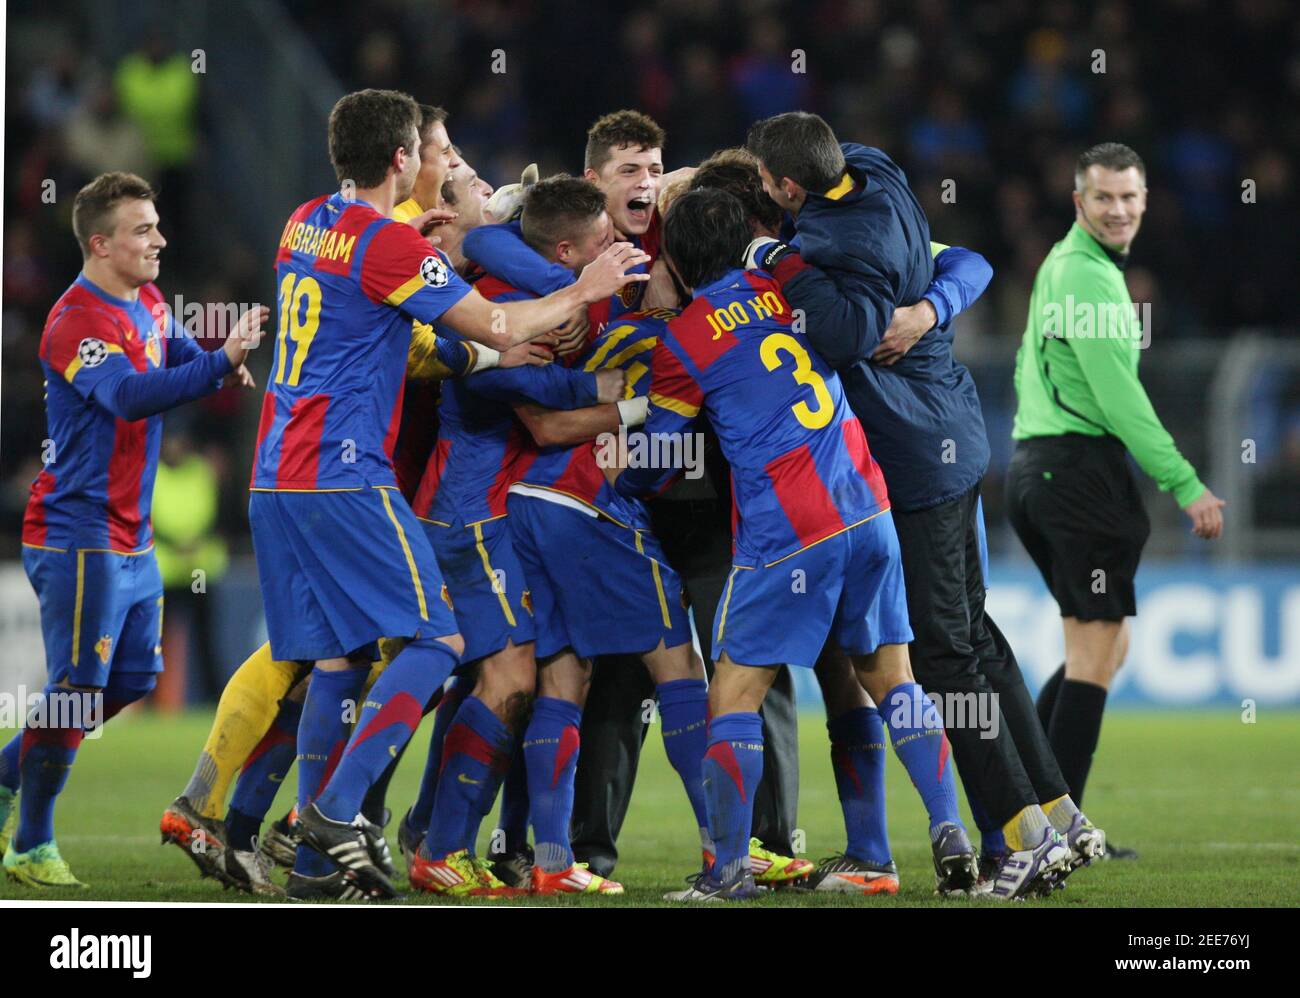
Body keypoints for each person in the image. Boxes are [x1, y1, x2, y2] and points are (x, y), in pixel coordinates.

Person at [264, 89, 648, 901]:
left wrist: (488, 358)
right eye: (435, 155)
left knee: (339, 661)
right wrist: (584, 290)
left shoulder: (302, 220)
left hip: (275, 472)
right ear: (403, 159)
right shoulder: (388, 245)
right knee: (438, 644)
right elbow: (501, 326)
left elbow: (413, 337)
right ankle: (332, 816)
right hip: (343, 471)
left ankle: (310, 869)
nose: (444, 170)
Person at [743, 112, 1094, 898]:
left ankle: (1015, 835)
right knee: (973, 637)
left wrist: (772, 256)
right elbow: (965, 261)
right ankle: (1061, 814)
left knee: (941, 658)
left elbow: (846, 331)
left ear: (790, 186)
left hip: (915, 459)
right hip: (955, 436)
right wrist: (933, 308)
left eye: (771, 183)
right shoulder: (873, 166)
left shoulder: (832, 247)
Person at [612, 188, 975, 901]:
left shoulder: (686, 336)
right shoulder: (794, 287)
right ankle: (948, 833)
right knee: (892, 683)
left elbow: (660, 455)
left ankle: (726, 875)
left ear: (679, 263)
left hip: (787, 531)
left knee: (732, 699)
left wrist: (620, 474)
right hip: (867, 508)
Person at [0, 171, 264, 888]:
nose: (160, 239)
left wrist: (216, 367)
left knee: (136, 675)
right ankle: (30, 842)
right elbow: (125, 395)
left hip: (131, 534)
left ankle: (3, 771)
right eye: (142, 230)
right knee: (79, 687)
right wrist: (219, 363)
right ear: (100, 242)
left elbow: (175, 356)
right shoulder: (73, 321)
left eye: (157, 225)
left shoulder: (145, 297)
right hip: (76, 530)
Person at [1007, 142, 1224, 852]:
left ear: (1145, 199)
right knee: (1096, 653)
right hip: (1075, 472)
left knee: (1101, 648)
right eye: (1103, 197)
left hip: (1044, 467)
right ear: (1079, 202)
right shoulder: (1091, 280)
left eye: (1130, 197)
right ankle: (1056, 831)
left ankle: (1025, 810)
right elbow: (1120, 399)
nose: (1119, 209)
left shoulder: (1066, 267)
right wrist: (1186, 483)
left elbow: (1027, 365)